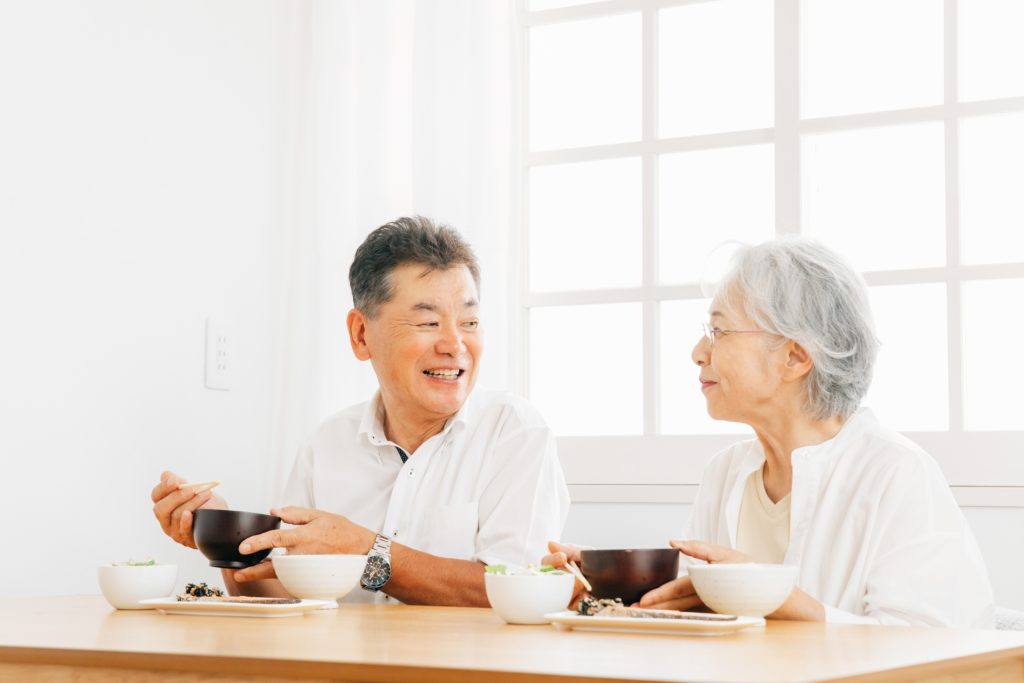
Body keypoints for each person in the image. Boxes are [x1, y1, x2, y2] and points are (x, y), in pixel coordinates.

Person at [548, 237, 994, 627]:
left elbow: (938, 645)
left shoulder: (896, 473)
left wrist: (773, 597)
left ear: (795, 358)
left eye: (719, 330)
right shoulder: (725, 472)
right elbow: (693, 607)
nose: (698, 352)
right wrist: (613, 583)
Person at [152, 216, 570, 606]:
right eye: (427, 323)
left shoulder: (516, 432)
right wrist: (227, 538)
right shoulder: (327, 444)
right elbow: (283, 593)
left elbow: (516, 592)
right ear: (360, 334)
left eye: (470, 323)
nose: (454, 344)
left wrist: (367, 551)